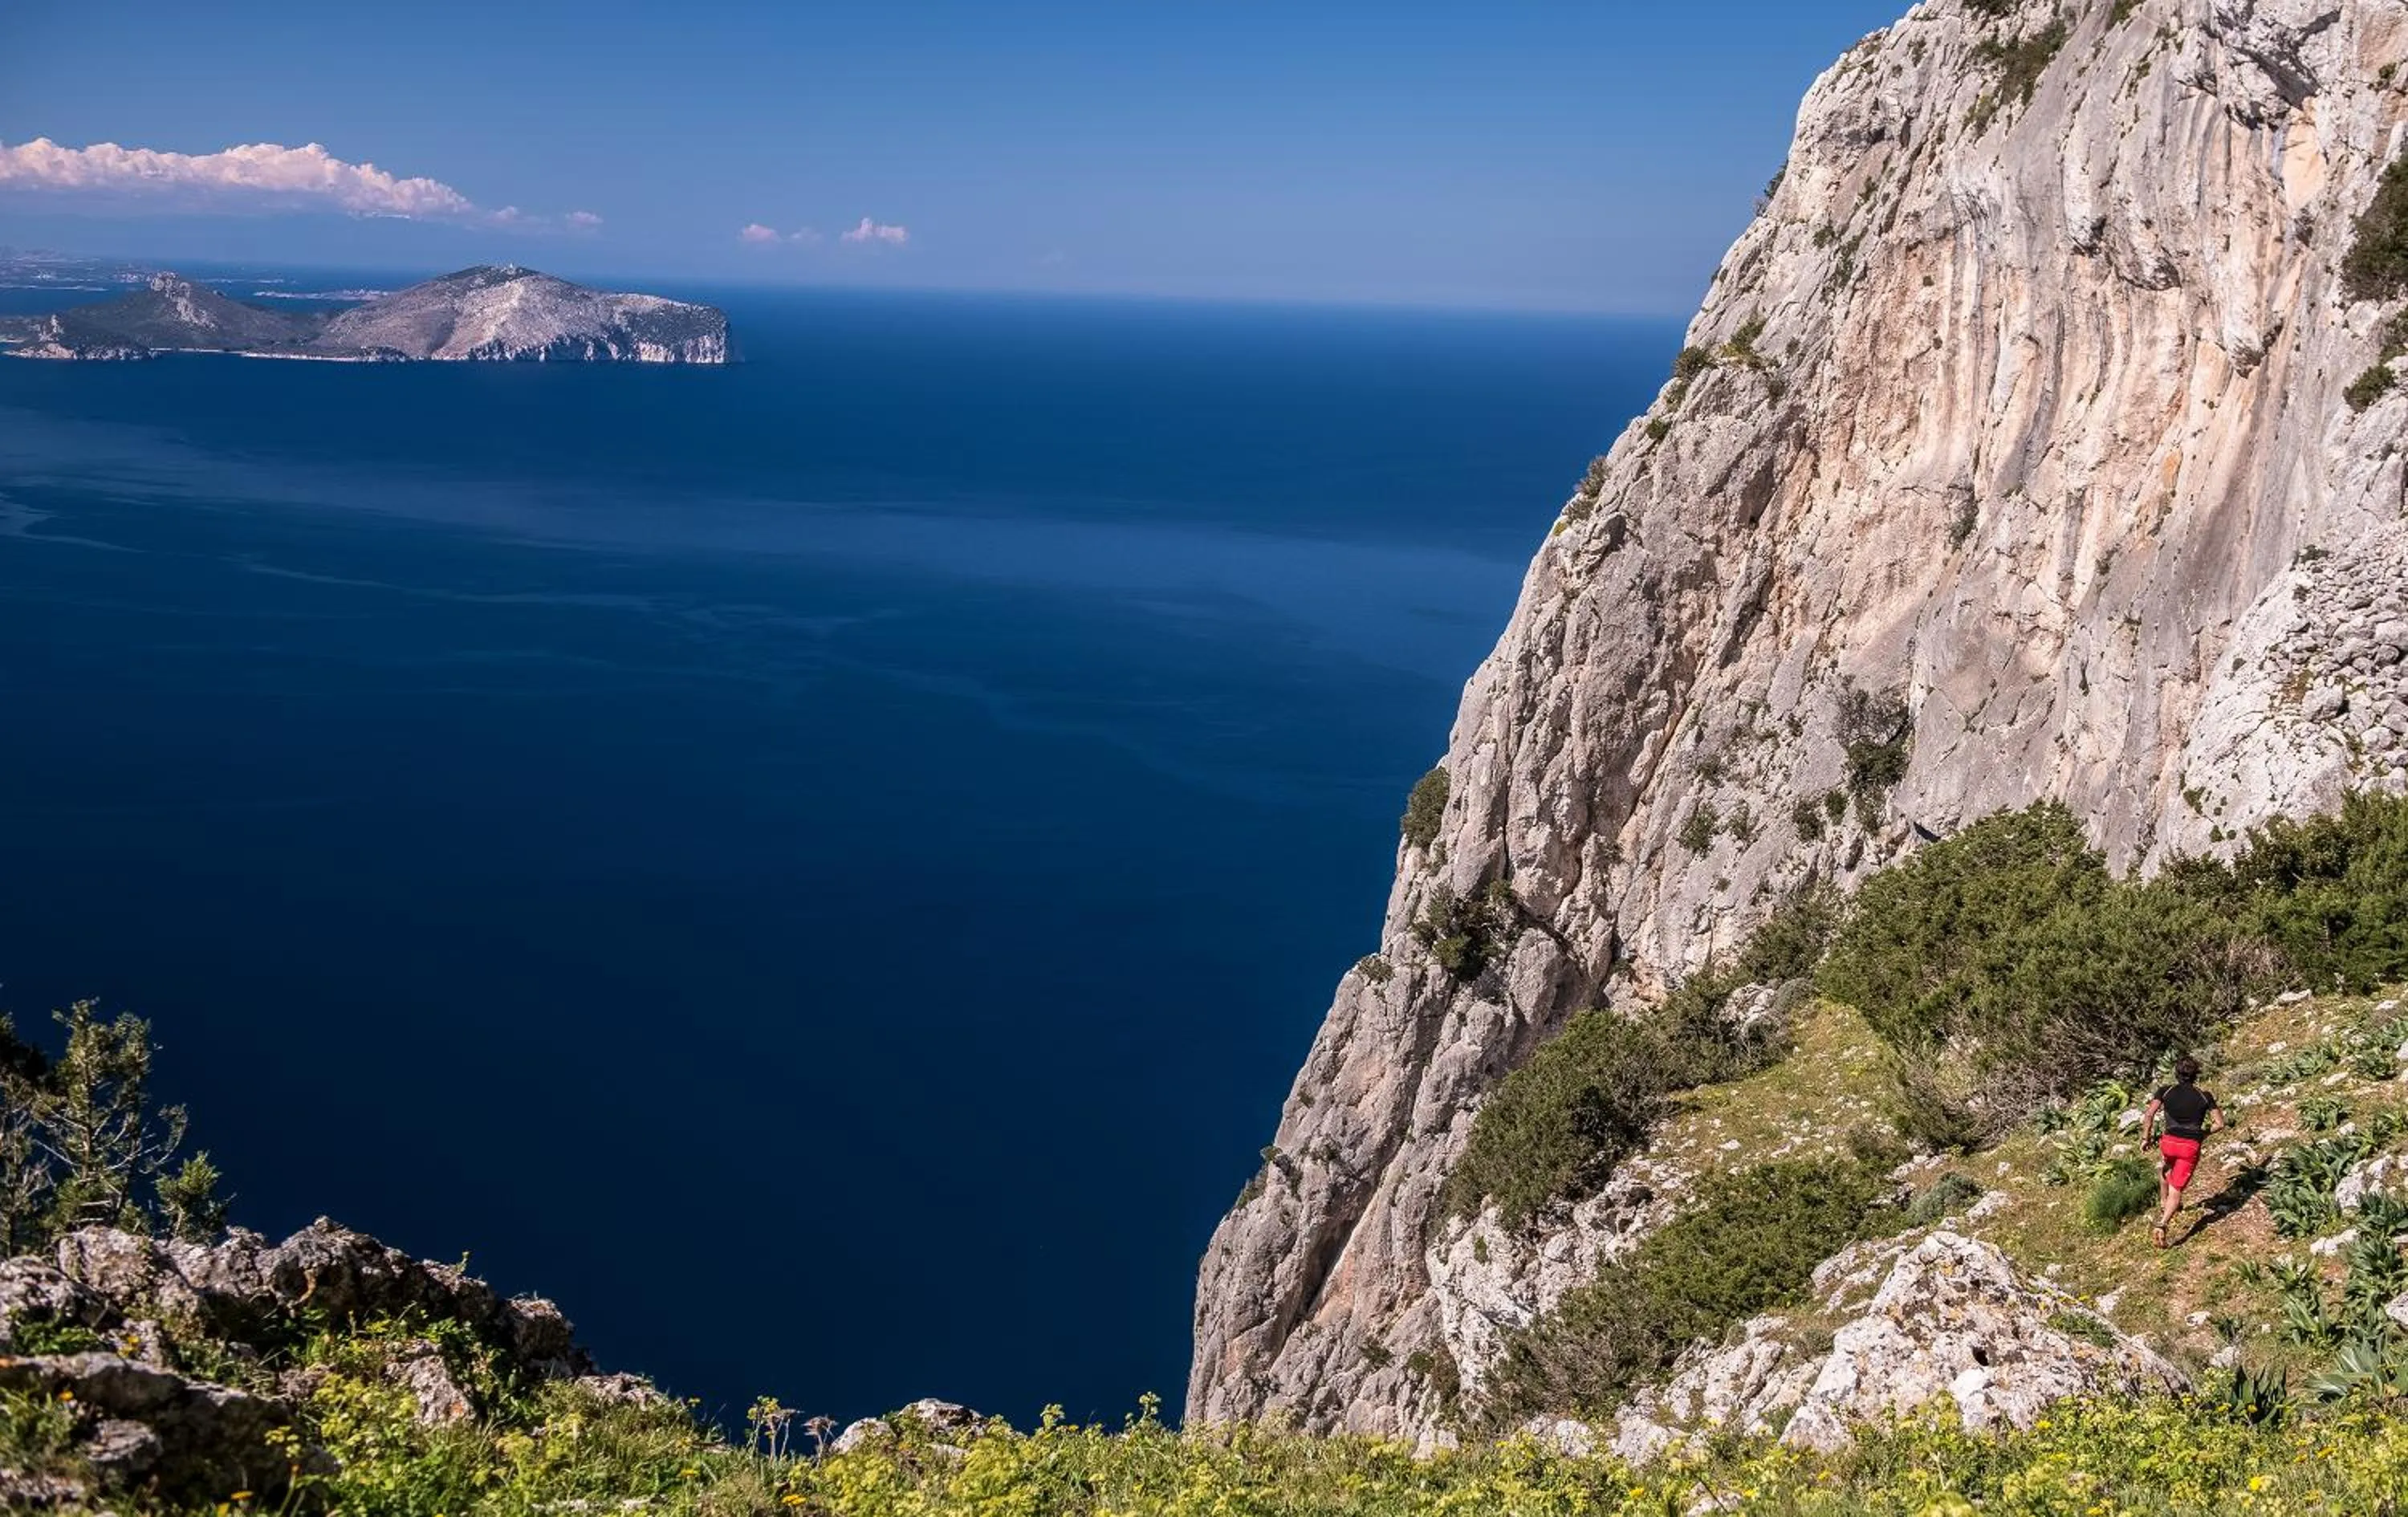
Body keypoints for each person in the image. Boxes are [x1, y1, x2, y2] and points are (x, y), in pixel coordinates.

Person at [2142, 1057, 2223, 1247]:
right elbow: (2220, 1124)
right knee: (2176, 1188)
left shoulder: (2165, 1091)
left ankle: (2164, 1203)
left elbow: (2149, 1114)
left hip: (2169, 1142)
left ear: (2176, 1073)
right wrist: (2203, 1133)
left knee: (2165, 1169)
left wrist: (2146, 1138)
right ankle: (2162, 1224)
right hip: (2190, 1146)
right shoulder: (2204, 1096)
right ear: (2196, 1075)